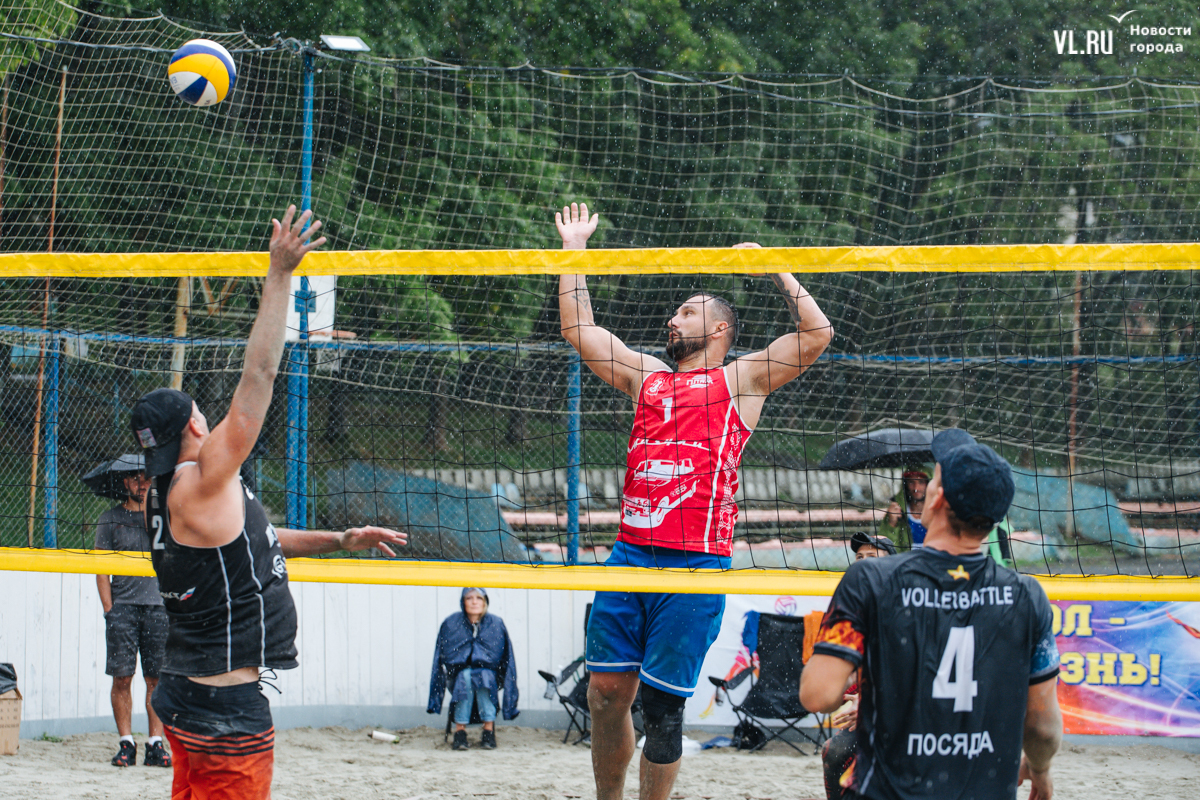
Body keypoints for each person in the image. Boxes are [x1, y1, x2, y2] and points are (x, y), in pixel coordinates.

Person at [556, 202, 833, 800]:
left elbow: (817, 335)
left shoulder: (741, 379)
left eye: (687, 312)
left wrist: (777, 269)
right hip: (629, 558)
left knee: (661, 710)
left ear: (720, 330)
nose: (672, 318)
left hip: (695, 565)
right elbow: (579, 330)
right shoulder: (648, 377)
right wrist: (574, 252)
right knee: (605, 696)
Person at [130, 206, 408, 800]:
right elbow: (258, 375)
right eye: (201, 412)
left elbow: (256, 540)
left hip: (191, 693)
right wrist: (280, 273)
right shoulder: (204, 479)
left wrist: (339, 540)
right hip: (221, 708)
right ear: (195, 426)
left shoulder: (173, 492)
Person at [800, 429, 1063, 800]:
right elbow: (1042, 728)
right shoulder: (1027, 597)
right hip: (983, 791)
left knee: (837, 753)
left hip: (888, 791)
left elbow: (817, 695)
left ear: (937, 497)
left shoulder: (869, 580)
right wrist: (1040, 769)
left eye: (932, 477)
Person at [93, 461, 171, 768]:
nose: (142, 484)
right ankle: (126, 743)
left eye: (147, 479)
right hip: (123, 609)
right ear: (125, 482)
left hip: (158, 608)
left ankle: (155, 744)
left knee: (156, 679)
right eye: (136, 479)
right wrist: (109, 609)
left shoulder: (163, 517)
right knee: (122, 677)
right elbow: (101, 569)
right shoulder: (110, 518)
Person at [820, 532, 895, 798]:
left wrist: (872, 704)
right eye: (859, 557)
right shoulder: (853, 609)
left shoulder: (907, 604)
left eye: (871, 556)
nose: (862, 562)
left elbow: (912, 676)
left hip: (910, 714)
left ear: (891, 564)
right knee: (834, 751)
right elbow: (848, 673)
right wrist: (851, 694)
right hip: (874, 711)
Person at [427, 588, 519, 750]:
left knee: (483, 675)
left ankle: (487, 731)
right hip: (458, 677)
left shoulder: (495, 624)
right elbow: (442, 656)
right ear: (463, 602)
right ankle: (461, 732)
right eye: (469, 598)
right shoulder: (452, 623)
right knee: (466, 676)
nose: (474, 602)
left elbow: (505, 657)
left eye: (479, 598)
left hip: (490, 677)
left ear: (485, 602)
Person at [877, 465, 931, 550]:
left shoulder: (940, 512)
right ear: (905, 485)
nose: (916, 488)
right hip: (907, 558)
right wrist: (891, 524)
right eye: (911, 482)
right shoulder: (897, 511)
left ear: (929, 484)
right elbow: (884, 547)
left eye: (921, 482)